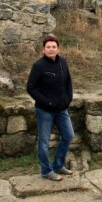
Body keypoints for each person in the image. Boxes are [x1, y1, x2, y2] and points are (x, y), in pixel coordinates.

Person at [26, 34, 75, 181]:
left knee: (68, 136)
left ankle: (58, 165)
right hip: (45, 110)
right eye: (48, 47)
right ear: (43, 49)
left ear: (58, 49)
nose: (51, 49)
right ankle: (47, 171)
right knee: (44, 142)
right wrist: (47, 102)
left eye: (54, 47)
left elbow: (68, 83)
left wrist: (68, 98)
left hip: (62, 109)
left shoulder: (63, 63)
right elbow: (31, 87)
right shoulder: (39, 66)